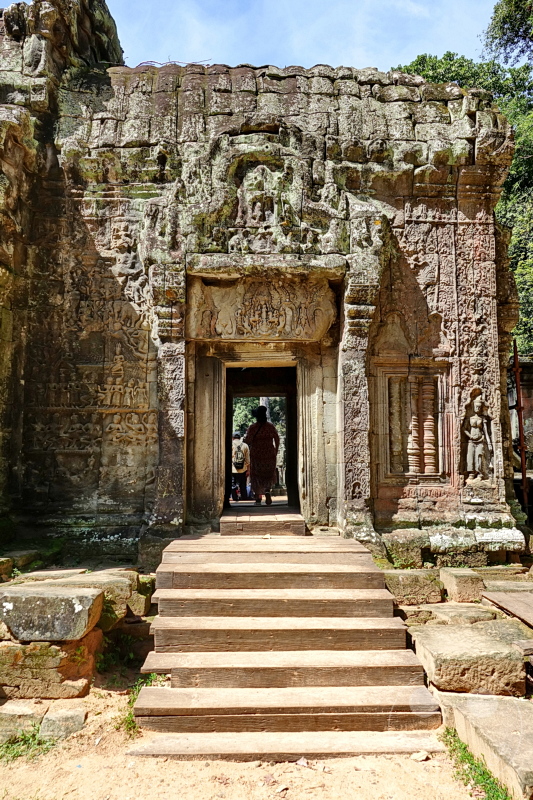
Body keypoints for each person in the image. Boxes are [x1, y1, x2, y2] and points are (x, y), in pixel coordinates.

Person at [244, 406, 280, 506]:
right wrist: (275, 450)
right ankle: (267, 491)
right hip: (269, 453)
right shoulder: (270, 427)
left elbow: (248, 440)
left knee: (256, 474)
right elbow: (277, 439)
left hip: (256, 454)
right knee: (268, 474)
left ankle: (257, 496)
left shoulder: (253, 428)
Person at [230, 431, 250, 502]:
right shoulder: (245, 445)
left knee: (233, 484)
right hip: (243, 468)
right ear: (240, 437)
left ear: (232, 438)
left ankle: (235, 498)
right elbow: (247, 460)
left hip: (232, 468)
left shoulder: (231, 444)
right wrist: (248, 470)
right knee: (243, 484)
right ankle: (244, 498)